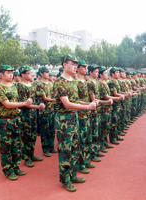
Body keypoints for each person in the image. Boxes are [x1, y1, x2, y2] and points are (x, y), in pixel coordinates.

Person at [53, 54, 96, 192]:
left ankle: (73, 175)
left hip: (74, 118)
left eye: (76, 64)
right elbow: (66, 104)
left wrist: (89, 103)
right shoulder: (60, 82)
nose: (75, 67)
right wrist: (87, 107)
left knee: (75, 148)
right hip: (64, 120)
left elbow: (75, 102)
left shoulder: (72, 81)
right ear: (64, 65)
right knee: (65, 151)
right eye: (73, 64)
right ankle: (65, 179)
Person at [0, 65, 32, 180]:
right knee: (6, 147)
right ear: (1, 74)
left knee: (16, 145)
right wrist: (24, 104)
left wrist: (18, 109)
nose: (11, 75)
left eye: (12, 73)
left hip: (15, 119)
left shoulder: (13, 86)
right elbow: (7, 104)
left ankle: (15, 167)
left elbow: (14, 103)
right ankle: (8, 170)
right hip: (4, 121)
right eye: (8, 73)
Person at [17, 66, 45, 167]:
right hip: (25, 114)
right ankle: (26, 157)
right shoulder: (20, 86)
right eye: (28, 73)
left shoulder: (31, 85)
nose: (30, 75)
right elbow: (24, 103)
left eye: (31, 73)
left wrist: (38, 106)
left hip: (33, 113)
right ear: (22, 75)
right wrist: (38, 107)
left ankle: (31, 154)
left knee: (33, 136)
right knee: (26, 136)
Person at [35, 67, 57, 157]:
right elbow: (45, 98)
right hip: (43, 111)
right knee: (45, 131)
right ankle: (45, 149)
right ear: (41, 74)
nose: (48, 74)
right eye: (45, 72)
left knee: (52, 129)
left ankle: (51, 147)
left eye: (48, 72)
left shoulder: (51, 84)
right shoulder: (39, 84)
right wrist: (57, 100)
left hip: (51, 110)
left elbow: (54, 94)